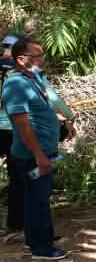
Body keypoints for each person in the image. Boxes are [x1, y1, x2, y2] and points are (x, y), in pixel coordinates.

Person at [2, 39, 68, 259]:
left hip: (44, 150)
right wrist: (39, 154)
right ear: (21, 59)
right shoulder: (15, 84)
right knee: (37, 200)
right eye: (37, 56)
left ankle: (36, 239)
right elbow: (22, 123)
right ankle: (42, 248)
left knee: (37, 197)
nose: (43, 60)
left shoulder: (34, 78)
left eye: (42, 55)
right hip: (32, 154)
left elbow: (48, 105)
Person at [0, 35, 22, 235]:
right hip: (12, 128)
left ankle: (14, 223)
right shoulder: (19, 73)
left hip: (9, 128)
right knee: (18, 176)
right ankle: (15, 224)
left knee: (17, 176)